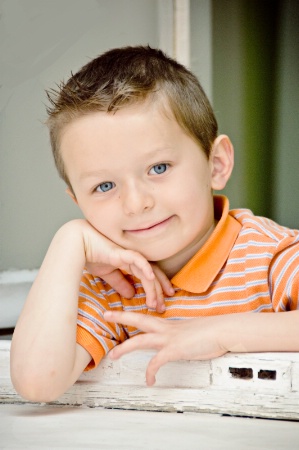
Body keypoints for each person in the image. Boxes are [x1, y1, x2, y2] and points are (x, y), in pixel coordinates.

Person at [10, 46, 299, 402]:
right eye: (104, 186)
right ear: (78, 201)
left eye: (158, 168)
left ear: (217, 164)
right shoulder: (110, 290)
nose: (136, 203)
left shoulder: (269, 255)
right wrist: (69, 241)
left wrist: (220, 333)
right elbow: (37, 383)